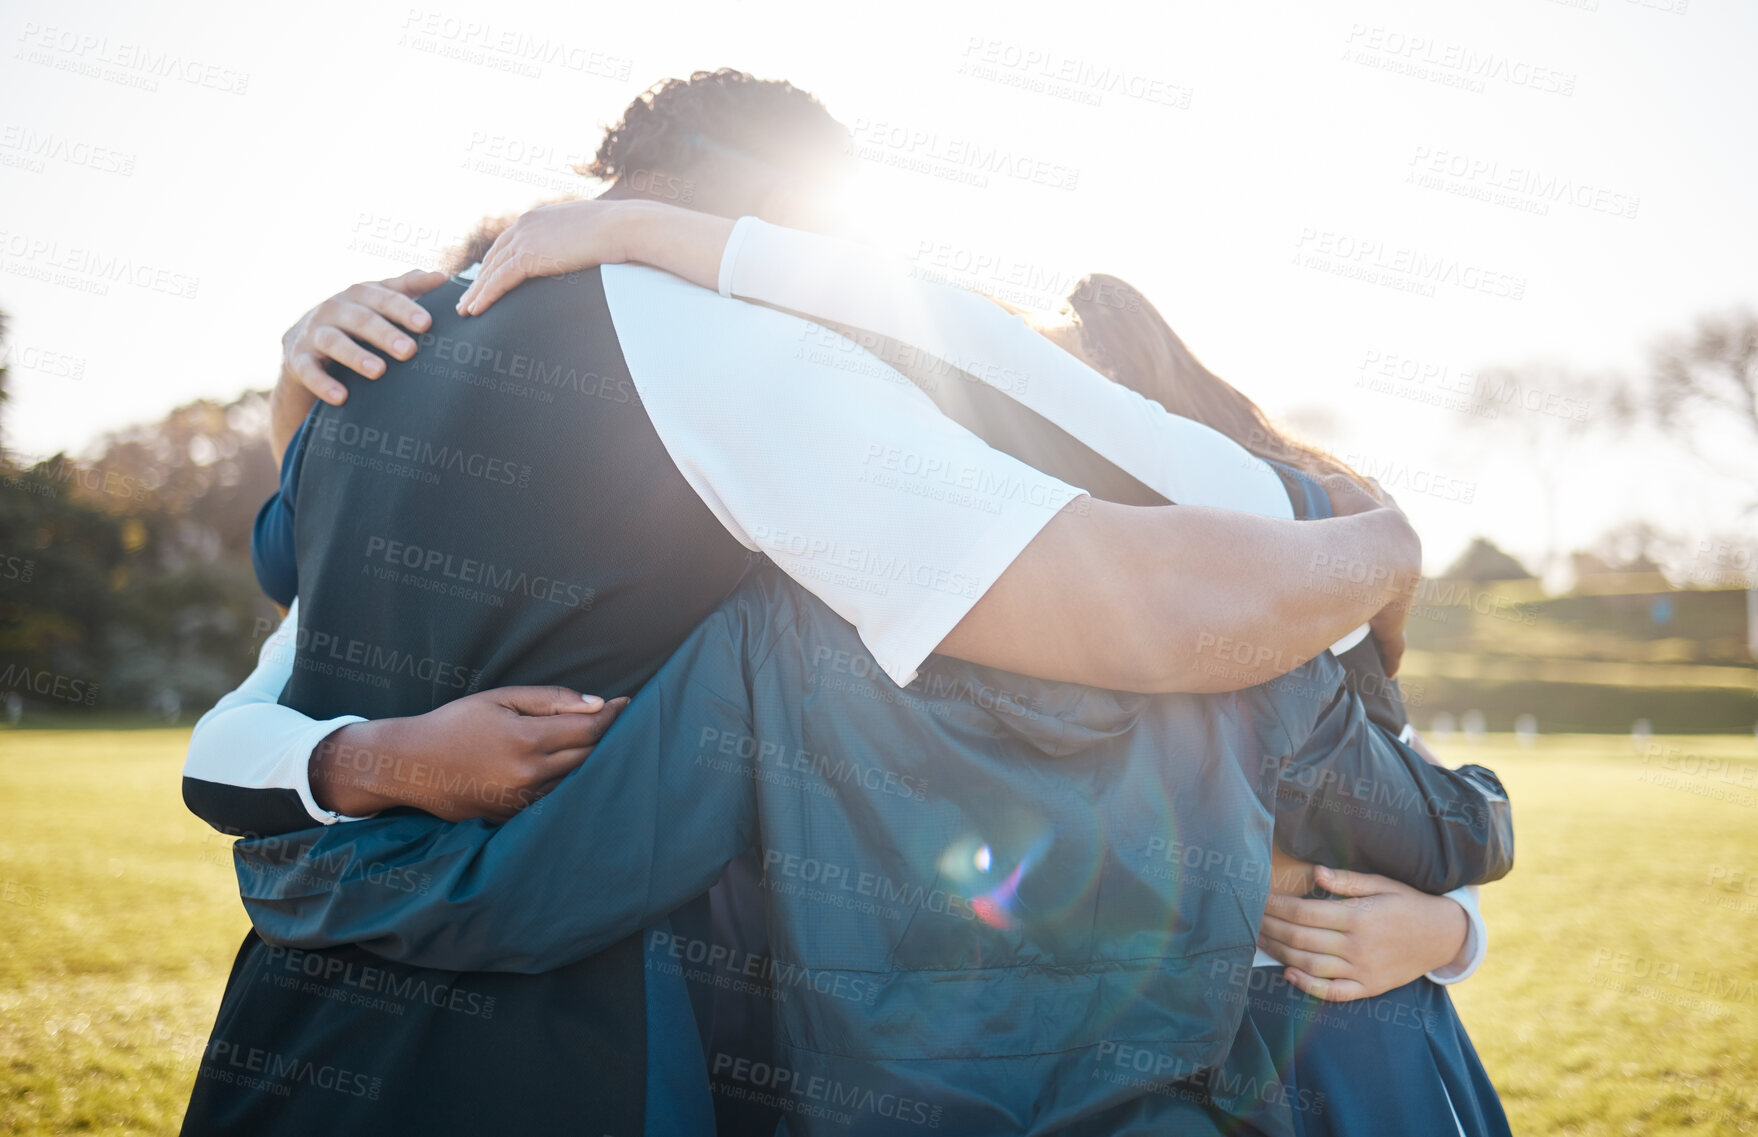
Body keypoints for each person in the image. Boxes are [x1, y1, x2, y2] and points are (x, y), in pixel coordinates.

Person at [184, 182, 1506, 1134]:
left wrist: (1445, 932)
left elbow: (1436, 812)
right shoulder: (815, 620)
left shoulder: (1247, 622)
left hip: (1324, 1055)